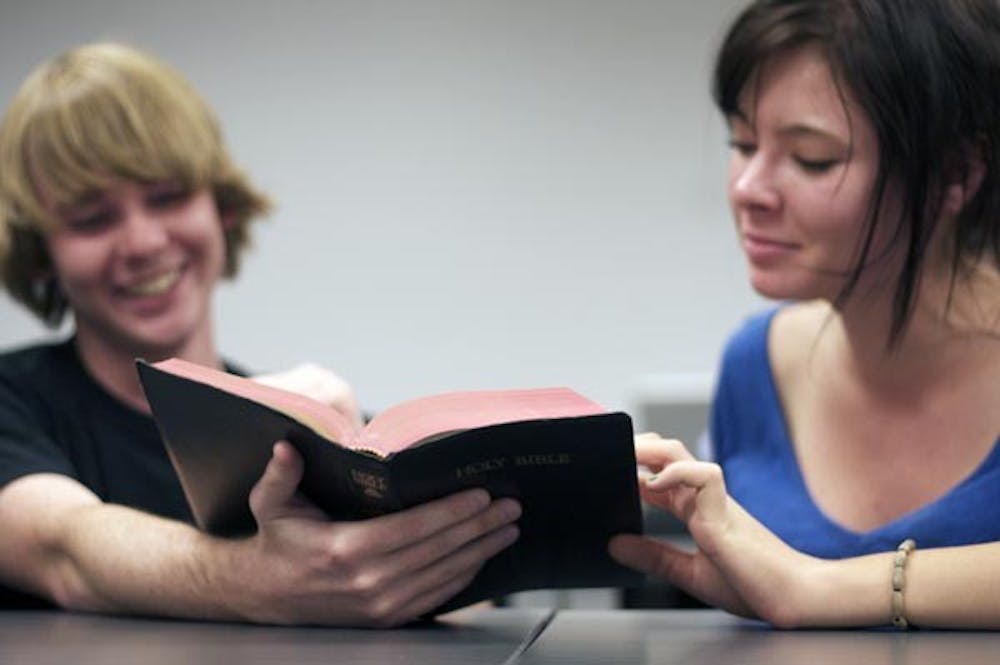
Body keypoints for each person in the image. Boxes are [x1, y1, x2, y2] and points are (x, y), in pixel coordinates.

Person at [0, 42, 521, 626]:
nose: (144, 243)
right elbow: (64, 552)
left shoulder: (308, 429)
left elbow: (477, 601)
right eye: (92, 219)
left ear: (220, 208)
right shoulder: (13, 404)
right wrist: (257, 580)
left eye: (168, 197)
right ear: (41, 252)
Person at [610, 0, 1000, 629]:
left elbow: (797, 591)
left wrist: (816, 588)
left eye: (812, 158)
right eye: (742, 143)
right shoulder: (755, 364)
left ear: (954, 175)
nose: (746, 189)